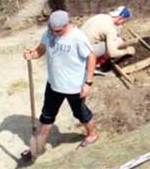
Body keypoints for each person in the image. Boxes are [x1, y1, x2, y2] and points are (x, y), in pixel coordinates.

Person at [22, 11, 97, 154]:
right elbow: (41, 49)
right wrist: (31, 55)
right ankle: (39, 146)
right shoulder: (50, 32)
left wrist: (88, 83)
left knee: (81, 113)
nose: (53, 33)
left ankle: (92, 134)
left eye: (57, 31)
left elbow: (91, 57)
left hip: (74, 87)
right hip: (53, 84)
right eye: (51, 29)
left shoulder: (78, 37)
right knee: (47, 116)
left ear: (66, 25)